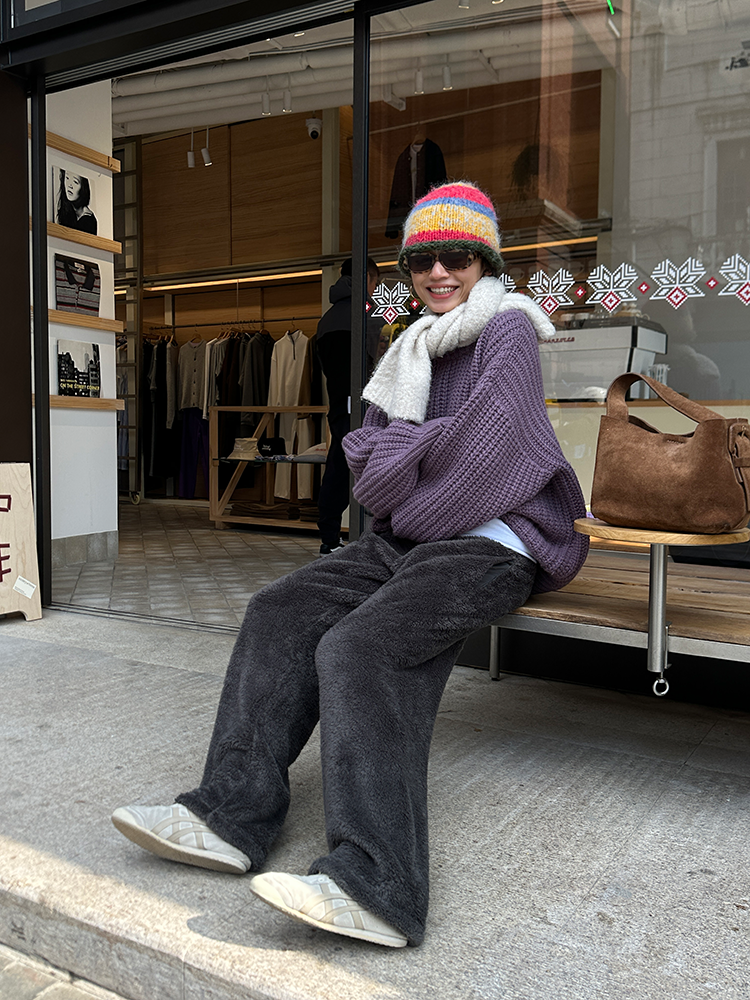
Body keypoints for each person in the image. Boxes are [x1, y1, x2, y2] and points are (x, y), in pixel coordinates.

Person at [111, 181, 589, 949]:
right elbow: (363, 460)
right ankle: (229, 816)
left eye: (457, 256)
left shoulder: (507, 328)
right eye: (422, 260)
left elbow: (486, 454)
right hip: (410, 538)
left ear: (486, 261)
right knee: (280, 609)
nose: (439, 272)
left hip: (498, 541)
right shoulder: (410, 344)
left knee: (362, 648)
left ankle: (378, 887)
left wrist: (407, 468)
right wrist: (415, 462)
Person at [314, 256, 380, 555]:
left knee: (339, 465)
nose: (375, 290)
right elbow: (376, 362)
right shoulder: (365, 314)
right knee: (373, 465)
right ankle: (375, 537)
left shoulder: (327, 318)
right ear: (367, 278)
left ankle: (329, 538)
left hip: (340, 403)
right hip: (365, 403)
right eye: (375, 283)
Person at [56, 170, 98, 234]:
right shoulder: (66, 207)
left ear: (83, 188)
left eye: (75, 182)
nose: (70, 185)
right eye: (67, 178)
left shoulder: (88, 220)